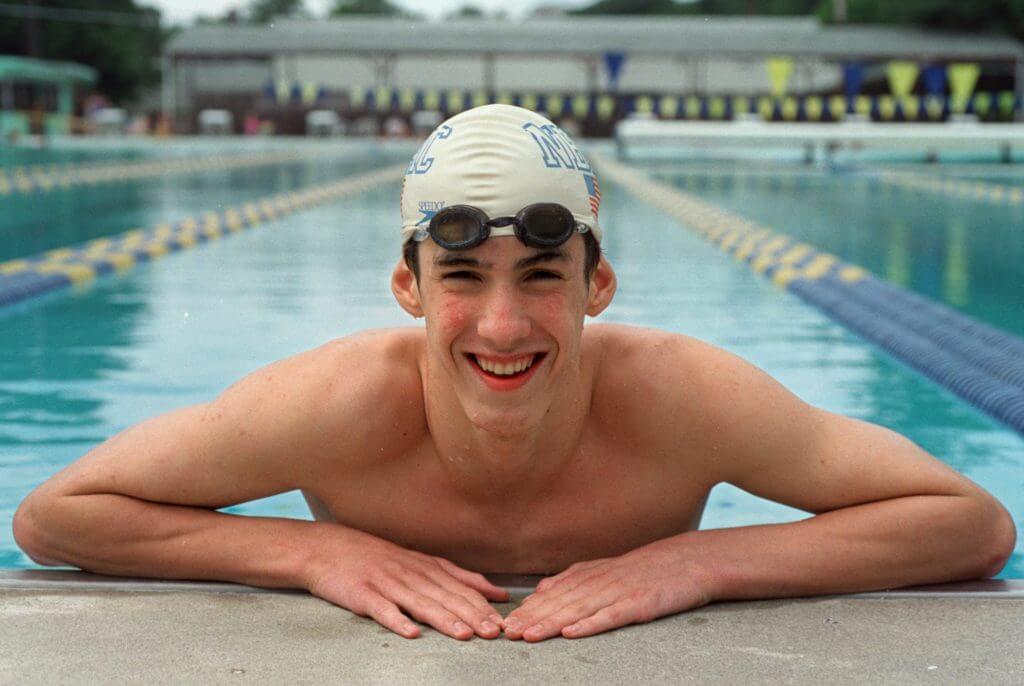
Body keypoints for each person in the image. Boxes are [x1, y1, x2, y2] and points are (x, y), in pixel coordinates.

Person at [13, 105, 1015, 643]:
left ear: (599, 282)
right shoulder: (336, 404)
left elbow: (969, 523)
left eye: (541, 275)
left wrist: (704, 562)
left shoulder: (681, 396)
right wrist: (312, 553)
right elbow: (59, 515)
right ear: (407, 285)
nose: (500, 324)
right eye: (461, 276)